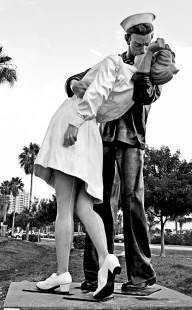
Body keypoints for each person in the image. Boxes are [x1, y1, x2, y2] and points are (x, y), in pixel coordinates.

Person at [64, 12, 177, 293]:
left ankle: (141, 276)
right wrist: (72, 84)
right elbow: (80, 79)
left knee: (133, 204)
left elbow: (143, 95)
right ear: (128, 40)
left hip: (132, 142)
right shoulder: (112, 62)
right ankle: (94, 274)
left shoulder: (154, 69)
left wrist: (148, 58)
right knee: (99, 204)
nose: (142, 48)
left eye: (146, 43)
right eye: (138, 44)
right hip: (101, 139)